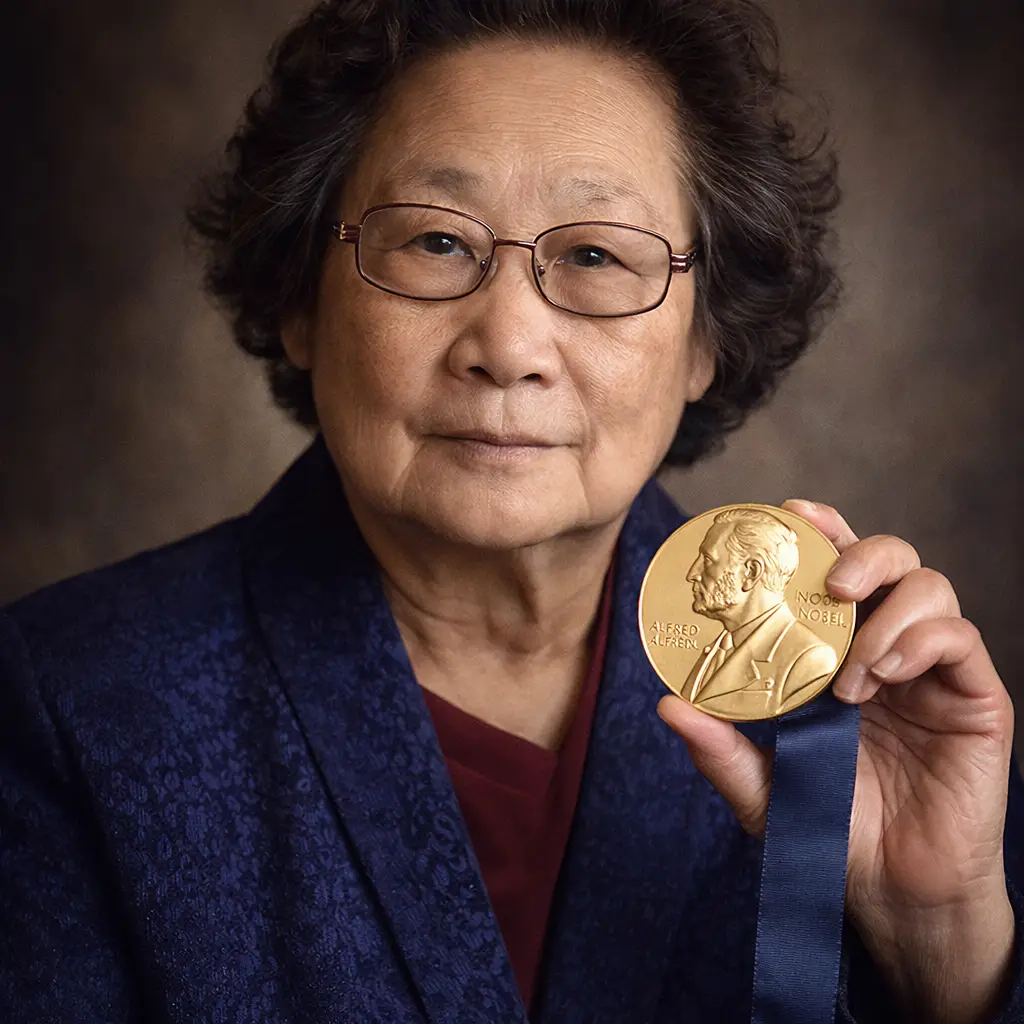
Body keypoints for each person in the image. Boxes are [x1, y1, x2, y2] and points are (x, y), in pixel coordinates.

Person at [1, 0, 1021, 1021]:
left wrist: (939, 941)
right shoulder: (70, 703)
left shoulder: (862, 714)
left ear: (707, 340)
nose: (510, 344)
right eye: (436, 242)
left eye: (594, 256)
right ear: (300, 302)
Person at [684, 507, 839, 718]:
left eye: (708, 560)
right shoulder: (718, 647)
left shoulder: (810, 659)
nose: (692, 574)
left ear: (751, 572)